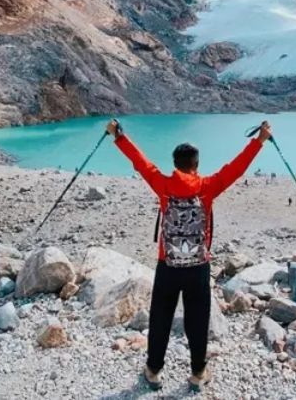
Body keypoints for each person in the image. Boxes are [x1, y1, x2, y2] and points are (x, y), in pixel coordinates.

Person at [106, 118, 271, 391]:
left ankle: (153, 370)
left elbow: (140, 162)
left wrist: (119, 136)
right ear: (196, 164)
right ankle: (197, 373)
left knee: (161, 317)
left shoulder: (163, 185)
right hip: (198, 266)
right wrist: (260, 140)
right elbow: (236, 167)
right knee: (197, 319)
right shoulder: (208, 186)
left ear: (175, 164)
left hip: (167, 263)